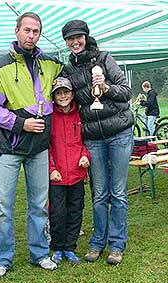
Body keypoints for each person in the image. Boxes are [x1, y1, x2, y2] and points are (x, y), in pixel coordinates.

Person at [0, 12, 63, 278]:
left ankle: (39, 253)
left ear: (40, 33)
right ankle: (2, 258)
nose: (31, 35)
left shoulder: (51, 64)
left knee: (39, 205)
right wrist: (20, 123)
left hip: (39, 147)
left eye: (36, 31)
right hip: (10, 147)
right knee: (2, 207)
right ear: (17, 31)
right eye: (26, 30)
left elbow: (69, 85)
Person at [61, 20, 133, 265]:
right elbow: (64, 97)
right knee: (100, 193)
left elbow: (126, 91)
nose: (74, 42)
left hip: (119, 133)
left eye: (78, 37)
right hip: (92, 138)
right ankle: (97, 243)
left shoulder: (104, 58)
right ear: (66, 43)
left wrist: (106, 87)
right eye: (70, 39)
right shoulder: (68, 70)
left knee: (119, 192)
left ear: (85, 37)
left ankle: (117, 245)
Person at [48, 77, 90, 265]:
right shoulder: (49, 117)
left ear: (72, 94)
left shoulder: (80, 115)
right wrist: (51, 169)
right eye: (59, 93)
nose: (63, 96)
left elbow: (84, 142)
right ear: (54, 96)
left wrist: (85, 156)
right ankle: (57, 248)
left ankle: (70, 248)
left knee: (75, 211)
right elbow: (46, 147)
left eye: (66, 92)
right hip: (57, 177)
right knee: (57, 213)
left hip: (77, 174)